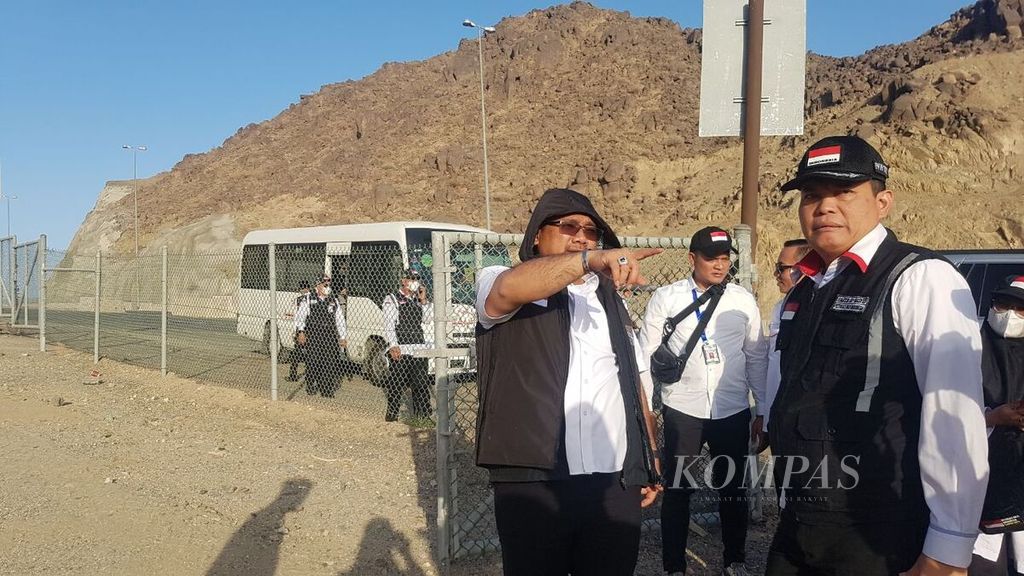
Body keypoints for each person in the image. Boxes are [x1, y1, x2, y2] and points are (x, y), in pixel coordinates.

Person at [765, 135, 989, 576]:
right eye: (812, 195)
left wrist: (949, 549)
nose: (825, 207)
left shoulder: (921, 278)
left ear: (882, 201)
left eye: (844, 192)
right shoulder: (809, 287)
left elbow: (955, 415)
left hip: (877, 532)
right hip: (800, 523)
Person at [474, 187, 663, 576]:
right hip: (534, 479)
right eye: (568, 226)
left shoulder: (613, 302)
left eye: (591, 232)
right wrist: (589, 260)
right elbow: (508, 291)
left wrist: (649, 459)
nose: (581, 236)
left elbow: (634, 381)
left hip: (613, 480)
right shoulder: (500, 278)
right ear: (537, 236)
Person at [638, 225, 768, 576]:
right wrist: (648, 406)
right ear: (692, 258)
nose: (719, 265)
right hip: (684, 408)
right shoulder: (667, 297)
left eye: (725, 258)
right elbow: (646, 354)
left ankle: (735, 561)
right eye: (711, 258)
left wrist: (763, 409)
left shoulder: (742, 299)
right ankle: (674, 567)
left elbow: (755, 355)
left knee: (733, 489)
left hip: (732, 409)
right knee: (679, 490)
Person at [971, 276, 1024, 576]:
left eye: (1020, 310)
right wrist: (993, 418)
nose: (1009, 315)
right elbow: (936, 416)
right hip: (978, 489)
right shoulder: (965, 352)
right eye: (1003, 304)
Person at [762, 239, 811, 436]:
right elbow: (774, 368)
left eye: (781, 268)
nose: (775, 274)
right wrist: (766, 421)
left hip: (800, 422)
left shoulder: (813, 309)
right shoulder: (781, 307)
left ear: (803, 269)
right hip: (778, 416)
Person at [381, 269, 432, 422]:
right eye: (411, 278)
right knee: (397, 383)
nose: (414, 281)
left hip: (418, 347)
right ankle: (392, 414)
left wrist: (423, 300)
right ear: (403, 280)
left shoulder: (418, 299)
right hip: (402, 347)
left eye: (416, 278)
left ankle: (422, 415)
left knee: (421, 383)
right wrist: (393, 345)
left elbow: (428, 319)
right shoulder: (392, 299)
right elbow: (389, 323)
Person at [294, 274, 347, 398]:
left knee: (329, 363)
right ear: (318, 285)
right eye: (325, 283)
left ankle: (326, 389)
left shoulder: (334, 300)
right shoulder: (308, 298)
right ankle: (310, 384)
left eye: (329, 283)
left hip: (329, 336)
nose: (327, 285)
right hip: (314, 335)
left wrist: (343, 336)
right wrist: (301, 331)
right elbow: (300, 316)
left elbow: (339, 319)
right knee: (313, 362)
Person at [287, 280, 311, 382]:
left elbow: (298, 315)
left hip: (304, 328)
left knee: (297, 353)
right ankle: (308, 375)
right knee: (307, 353)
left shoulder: (302, 299)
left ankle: (293, 375)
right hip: (309, 328)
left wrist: (296, 330)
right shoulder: (311, 297)